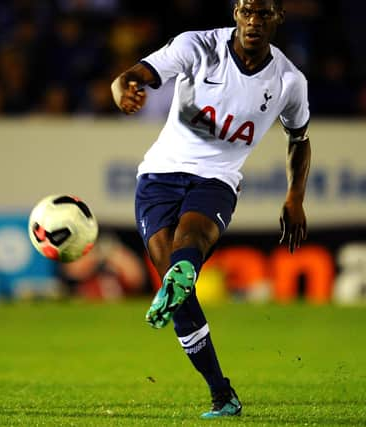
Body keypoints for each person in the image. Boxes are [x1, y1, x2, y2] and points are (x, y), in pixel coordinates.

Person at [111, 0, 310, 419]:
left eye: (264, 13)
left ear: (277, 19)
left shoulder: (289, 81)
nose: (253, 21)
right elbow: (138, 74)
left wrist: (295, 197)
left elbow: (299, 139)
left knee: (191, 241)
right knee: (178, 291)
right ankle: (222, 392)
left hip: (217, 179)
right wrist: (122, 86)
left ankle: (182, 272)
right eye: (246, 11)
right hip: (159, 175)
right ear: (235, 13)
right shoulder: (197, 46)